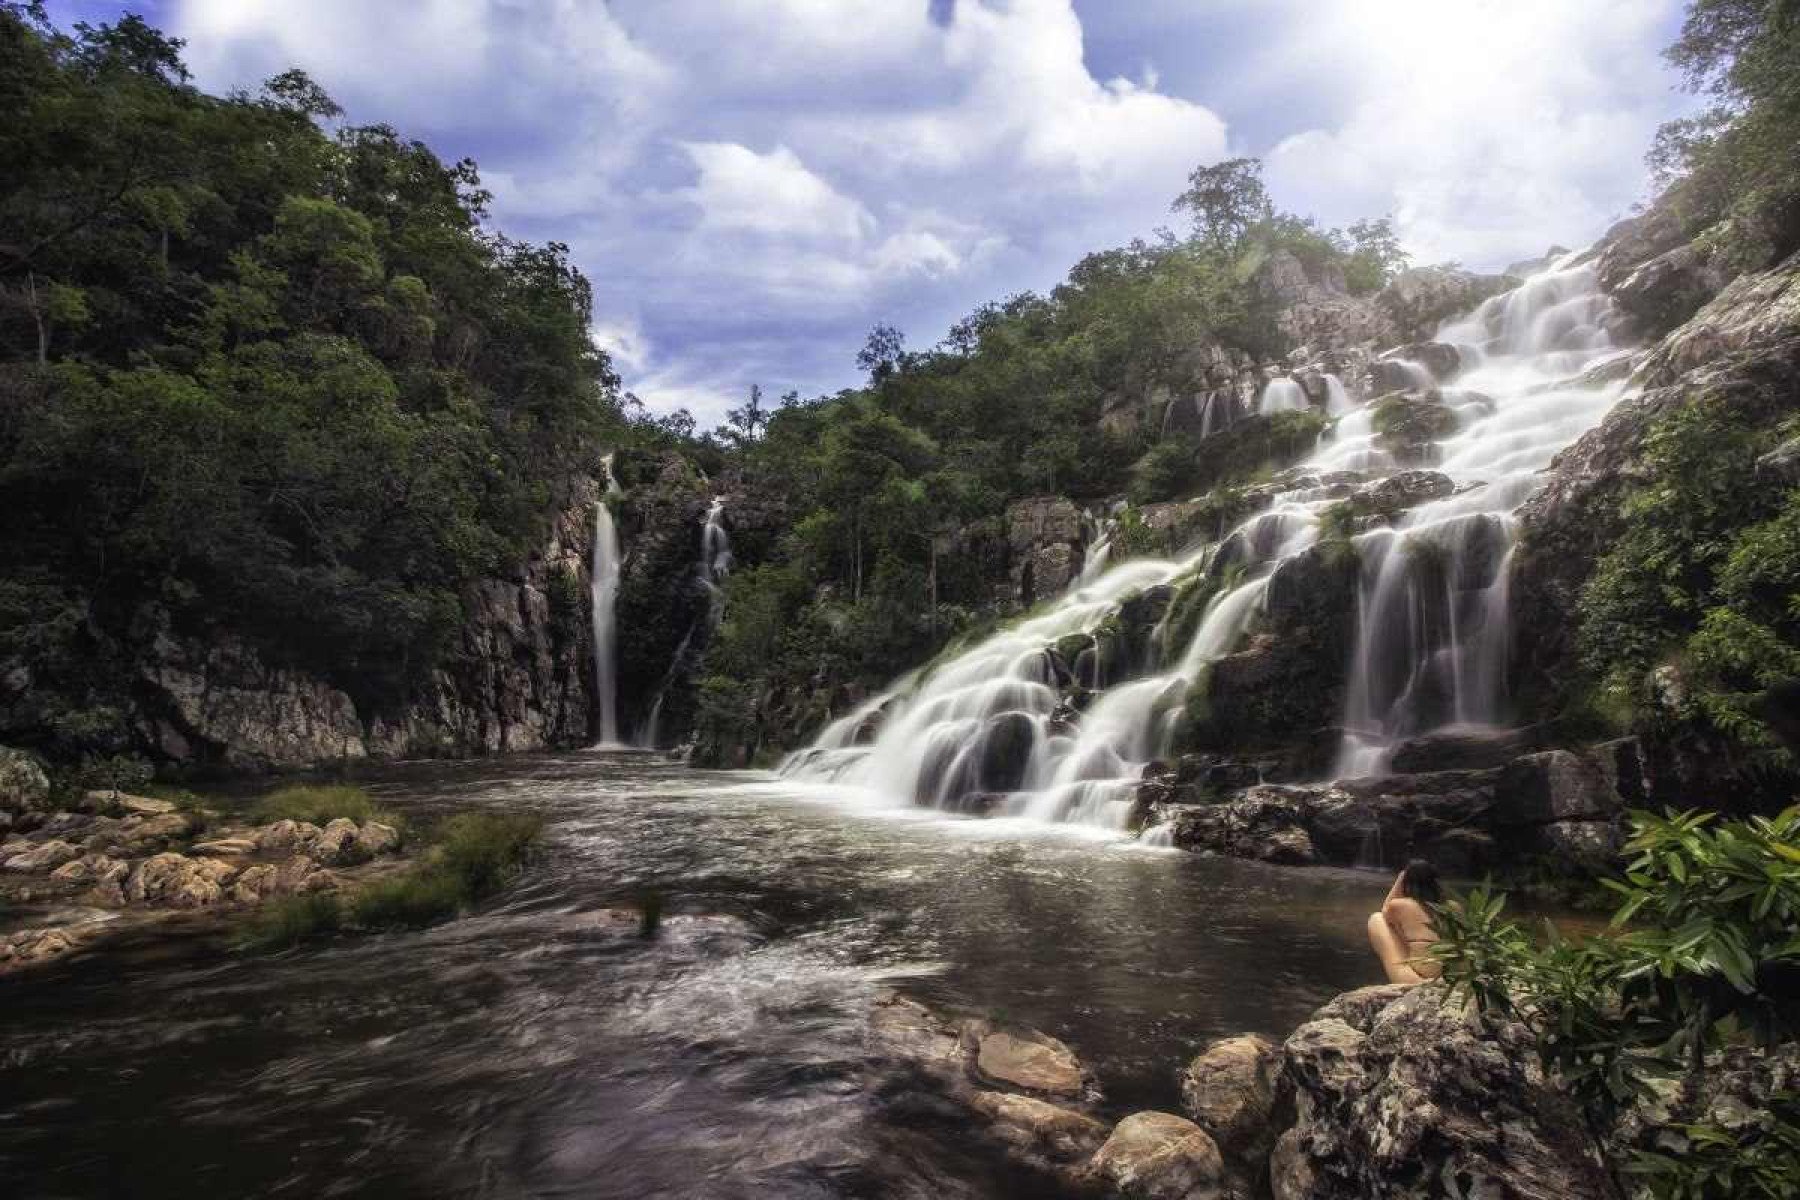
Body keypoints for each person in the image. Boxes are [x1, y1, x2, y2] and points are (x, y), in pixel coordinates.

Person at [1366, 859, 1443, 985]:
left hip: (1420, 975)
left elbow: (1385, 912)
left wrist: (1400, 879)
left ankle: (1410, 978)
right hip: (1449, 973)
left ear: (1406, 882)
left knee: (1377, 919)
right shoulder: (1454, 907)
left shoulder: (1401, 905)